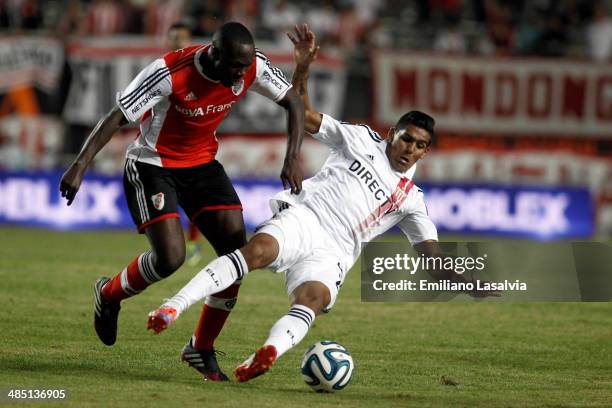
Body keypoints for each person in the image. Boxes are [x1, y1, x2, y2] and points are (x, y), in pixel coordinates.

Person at [146, 23, 499, 382]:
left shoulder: (412, 200)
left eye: (420, 145)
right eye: (407, 139)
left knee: (311, 298)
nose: (410, 149)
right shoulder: (360, 138)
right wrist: (302, 68)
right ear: (393, 134)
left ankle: (268, 352)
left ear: (426, 152)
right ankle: (172, 308)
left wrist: (467, 281)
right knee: (255, 252)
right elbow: (305, 113)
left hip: (336, 252)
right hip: (307, 217)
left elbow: (431, 258)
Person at [59, 21, 304, 382]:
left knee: (236, 256)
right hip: (152, 165)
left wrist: (291, 158)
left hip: (202, 166)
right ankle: (109, 294)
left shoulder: (252, 66)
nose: (241, 76)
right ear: (215, 55)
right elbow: (115, 117)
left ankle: (200, 347)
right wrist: (79, 166)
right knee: (170, 259)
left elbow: (294, 102)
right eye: (235, 67)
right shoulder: (169, 72)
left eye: (245, 68)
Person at [165, 22, 205, 266]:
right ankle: (171, 245)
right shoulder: (163, 68)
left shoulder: (200, 70)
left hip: (194, 146)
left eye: (180, 37)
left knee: (195, 199)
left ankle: (193, 243)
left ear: (189, 39)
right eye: (173, 38)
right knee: (168, 200)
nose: (176, 42)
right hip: (167, 147)